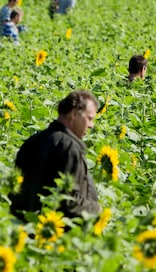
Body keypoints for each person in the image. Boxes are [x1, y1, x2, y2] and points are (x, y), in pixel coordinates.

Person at [9, 90, 100, 219]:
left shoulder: (33, 141)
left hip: (23, 227)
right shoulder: (69, 148)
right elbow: (67, 200)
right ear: (74, 114)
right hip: (54, 231)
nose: (91, 125)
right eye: (89, 118)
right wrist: (95, 209)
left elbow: (15, 189)